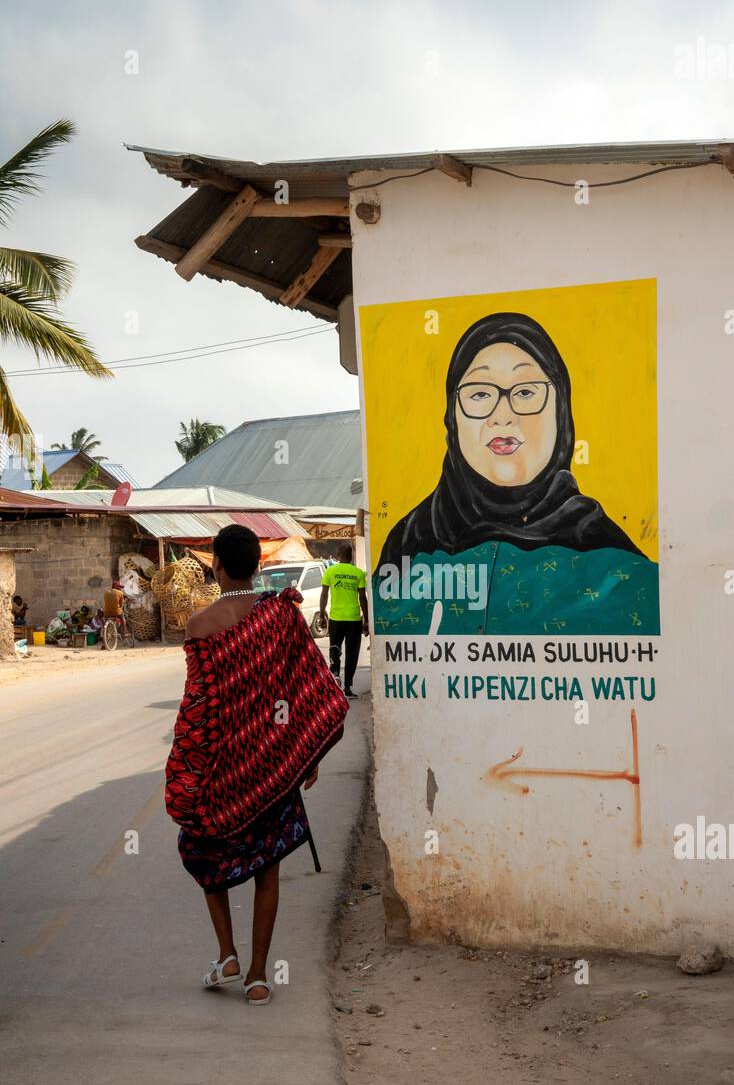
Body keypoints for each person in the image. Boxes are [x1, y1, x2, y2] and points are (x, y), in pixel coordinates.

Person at [373, 312, 659, 636]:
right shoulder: (411, 541)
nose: (503, 415)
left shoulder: (611, 557)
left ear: (560, 409)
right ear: (451, 417)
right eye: (479, 394)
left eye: (525, 392)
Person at [166, 524, 348, 1006]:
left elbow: (195, 712)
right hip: (272, 767)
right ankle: (258, 976)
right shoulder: (279, 615)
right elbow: (308, 681)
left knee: (204, 851)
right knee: (268, 867)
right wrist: (303, 750)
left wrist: (186, 766)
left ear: (218, 566)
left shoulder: (200, 626)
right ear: (258, 564)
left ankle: (226, 951)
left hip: (221, 773)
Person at [319, 542, 368, 698]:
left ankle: (335, 679)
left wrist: (322, 614)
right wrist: (366, 619)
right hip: (353, 619)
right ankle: (347, 687)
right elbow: (362, 597)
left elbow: (324, 594)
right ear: (351, 556)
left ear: (339, 556)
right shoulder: (358, 573)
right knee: (352, 653)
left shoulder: (330, 571)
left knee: (335, 649)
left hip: (336, 618)